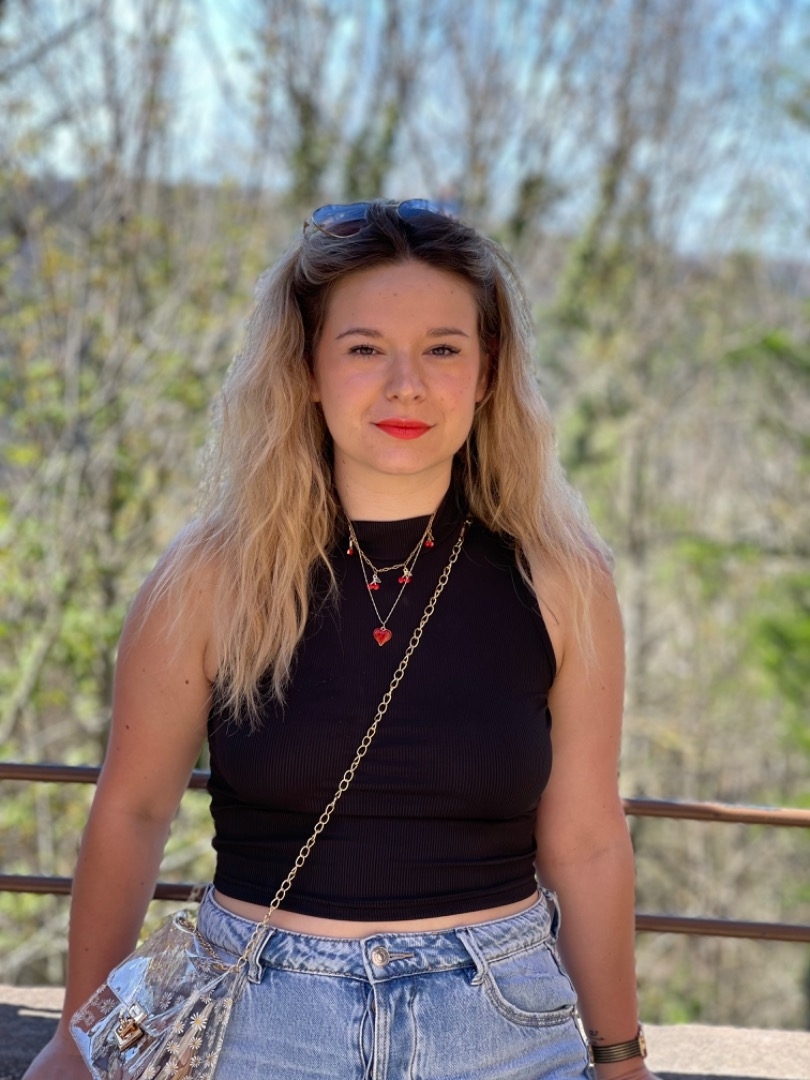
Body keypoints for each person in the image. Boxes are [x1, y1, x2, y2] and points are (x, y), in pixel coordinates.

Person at [24, 200, 660, 1080]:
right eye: (364, 349)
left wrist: (620, 1058)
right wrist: (76, 1037)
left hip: (504, 1028)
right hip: (257, 1025)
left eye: (443, 349)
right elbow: (132, 812)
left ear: (487, 372)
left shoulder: (563, 577)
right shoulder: (210, 576)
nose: (407, 385)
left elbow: (586, 840)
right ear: (308, 370)